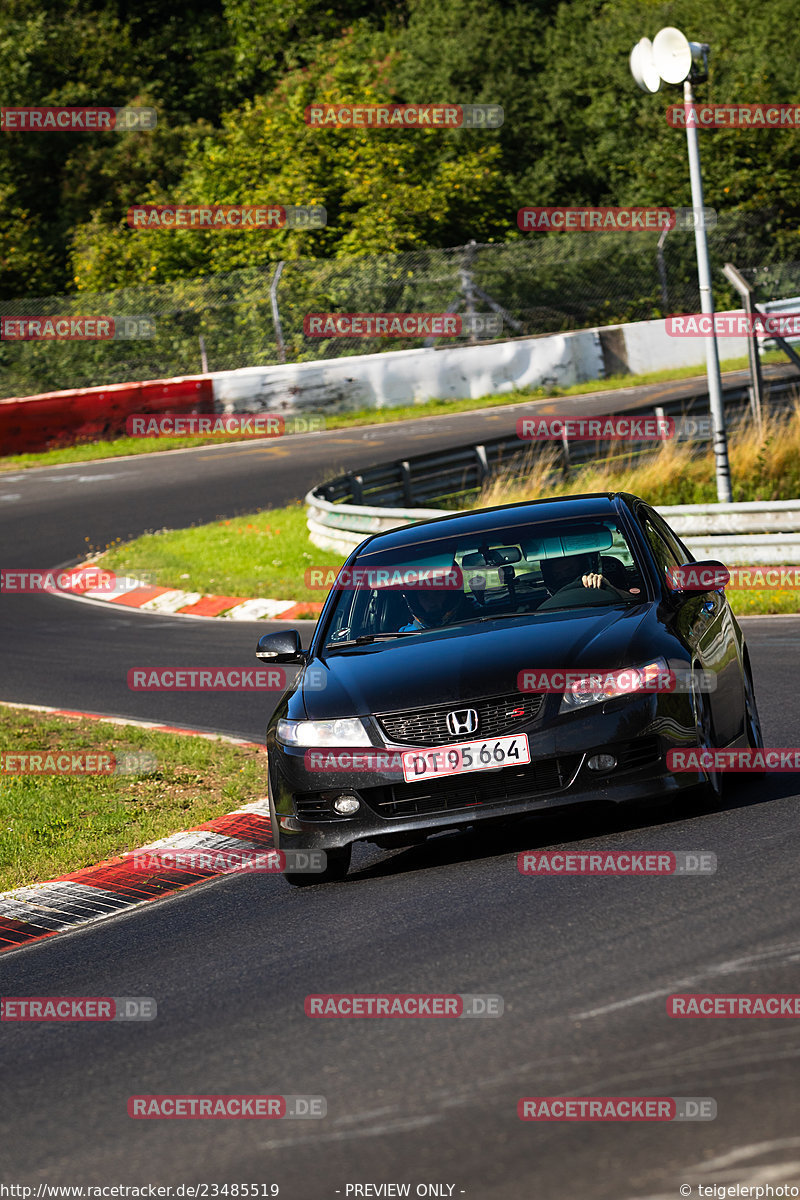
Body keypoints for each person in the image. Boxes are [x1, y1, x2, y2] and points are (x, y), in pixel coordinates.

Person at [539, 551, 633, 600]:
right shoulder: (541, 602)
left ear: (582, 567)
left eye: (569, 570)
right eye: (558, 574)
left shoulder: (602, 584)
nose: (564, 576)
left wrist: (608, 587)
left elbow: (637, 604)